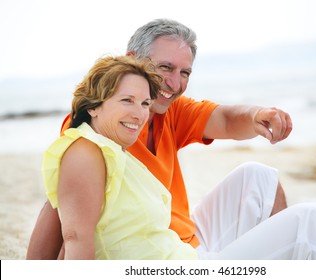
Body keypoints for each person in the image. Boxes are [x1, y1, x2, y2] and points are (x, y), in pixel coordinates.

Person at [27, 19, 316, 259]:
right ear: (132, 60)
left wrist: (256, 115)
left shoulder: (168, 110)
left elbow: (224, 118)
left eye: (185, 73)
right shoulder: (98, 130)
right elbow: (63, 211)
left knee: (259, 176)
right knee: (309, 220)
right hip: (164, 260)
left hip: (187, 243)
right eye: (165, 67)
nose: (174, 82)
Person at [41, 55, 198, 259]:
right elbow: (75, 238)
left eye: (144, 103)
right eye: (127, 101)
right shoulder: (85, 152)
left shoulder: (114, 149)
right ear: (93, 106)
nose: (139, 114)